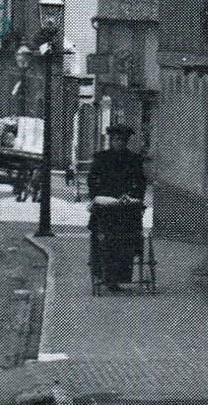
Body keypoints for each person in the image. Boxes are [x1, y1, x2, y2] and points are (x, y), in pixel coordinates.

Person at [87, 123, 147, 292]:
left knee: (125, 241)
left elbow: (140, 182)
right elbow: (92, 180)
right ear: (111, 140)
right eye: (116, 140)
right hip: (106, 209)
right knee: (106, 240)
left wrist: (134, 196)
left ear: (126, 142)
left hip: (127, 209)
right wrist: (98, 197)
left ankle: (119, 277)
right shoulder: (101, 158)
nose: (119, 143)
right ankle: (105, 276)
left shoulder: (134, 159)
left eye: (123, 140)